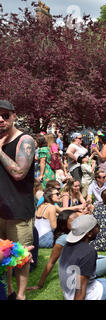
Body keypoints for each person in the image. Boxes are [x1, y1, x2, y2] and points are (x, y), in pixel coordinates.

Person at [0, 100, 36, 300]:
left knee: (21, 257)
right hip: (1, 210)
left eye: (5, 115)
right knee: (3, 257)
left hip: (19, 212)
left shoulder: (25, 140)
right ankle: (9, 291)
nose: (1, 119)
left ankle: (20, 296)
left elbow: (19, 173)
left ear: (14, 116)